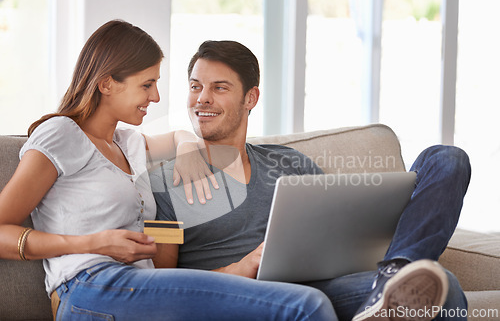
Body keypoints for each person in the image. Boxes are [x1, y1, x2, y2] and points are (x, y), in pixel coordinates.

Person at [0, 21, 336, 320]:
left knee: (311, 299)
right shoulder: (62, 133)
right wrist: (94, 242)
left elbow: (178, 136)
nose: (157, 96)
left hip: (143, 285)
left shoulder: (129, 144)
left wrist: (188, 144)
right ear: (107, 84)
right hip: (90, 286)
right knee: (304, 306)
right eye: (147, 85)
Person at [150, 40, 472, 320]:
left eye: (219, 88)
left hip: (323, 286)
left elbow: (336, 232)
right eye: (195, 86)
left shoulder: (289, 162)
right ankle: (392, 289)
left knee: (446, 159)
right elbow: (161, 287)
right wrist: (242, 267)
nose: (202, 98)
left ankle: (394, 276)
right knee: (443, 291)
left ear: (250, 98)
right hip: (250, 298)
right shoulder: (164, 184)